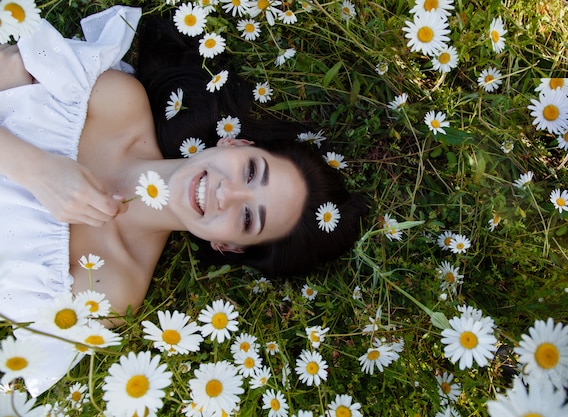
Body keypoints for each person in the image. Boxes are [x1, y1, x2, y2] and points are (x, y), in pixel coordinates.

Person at [0, 6, 367, 395]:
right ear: (234, 143)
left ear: (227, 246)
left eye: (247, 219)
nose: (228, 193)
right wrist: (35, 169)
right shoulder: (112, 101)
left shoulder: (113, 287)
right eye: (250, 171)